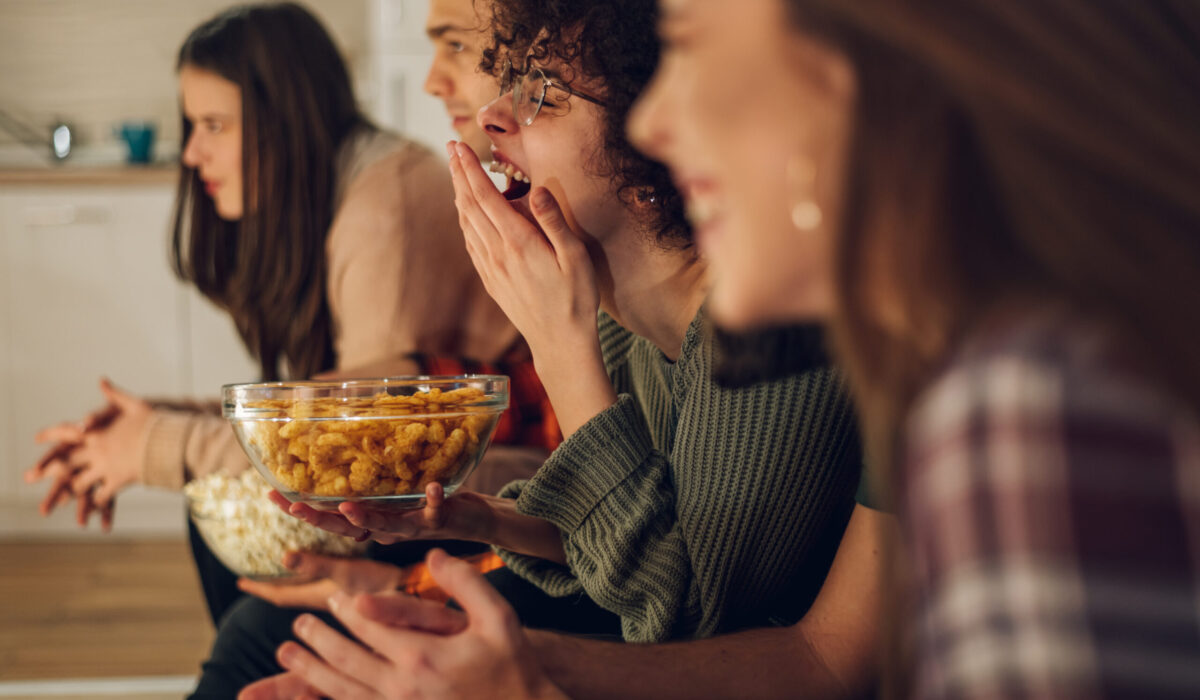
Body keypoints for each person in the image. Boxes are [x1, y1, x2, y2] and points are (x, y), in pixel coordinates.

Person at [248, 0, 1200, 698]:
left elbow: (691, 620)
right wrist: (484, 532)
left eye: (692, 54)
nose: (660, 122)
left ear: (854, 74)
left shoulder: (1018, 402)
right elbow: (814, 645)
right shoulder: (962, 365)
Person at [22, 1, 533, 627]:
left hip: (502, 485)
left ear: (283, 121)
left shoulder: (384, 213)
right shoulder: (345, 185)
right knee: (220, 505)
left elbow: (362, 453)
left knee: (245, 549)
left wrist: (157, 444)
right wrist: (155, 421)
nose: (190, 154)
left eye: (214, 125)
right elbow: (325, 409)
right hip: (445, 485)